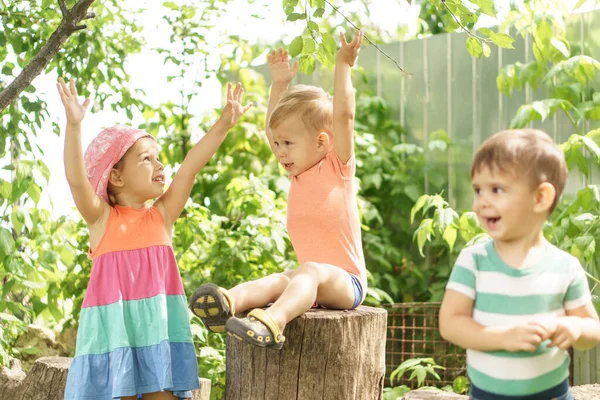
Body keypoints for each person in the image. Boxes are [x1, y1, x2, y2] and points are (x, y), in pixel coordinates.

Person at [58, 77, 251, 399]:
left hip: (158, 334)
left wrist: (223, 125)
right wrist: (74, 125)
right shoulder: (101, 218)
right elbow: (76, 179)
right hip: (114, 335)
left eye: (158, 157)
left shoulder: (162, 215)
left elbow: (190, 167)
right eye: (147, 158)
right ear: (115, 177)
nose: (161, 165)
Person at [189, 31, 366, 349]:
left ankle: (273, 322)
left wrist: (343, 65)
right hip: (311, 281)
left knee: (306, 271)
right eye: (278, 144)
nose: (279, 151)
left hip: (347, 283)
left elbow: (344, 115)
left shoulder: (338, 167)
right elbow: (273, 129)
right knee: (281, 279)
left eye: (288, 144)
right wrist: (280, 85)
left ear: (321, 142)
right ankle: (227, 303)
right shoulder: (297, 173)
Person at [439, 128, 600, 400]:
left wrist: (574, 329)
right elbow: (451, 323)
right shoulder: (474, 262)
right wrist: (503, 338)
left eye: (497, 189)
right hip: (488, 395)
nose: (481, 202)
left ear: (540, 198)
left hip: (552, 395)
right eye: (478, 190)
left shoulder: (565, 266)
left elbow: (591, 328)